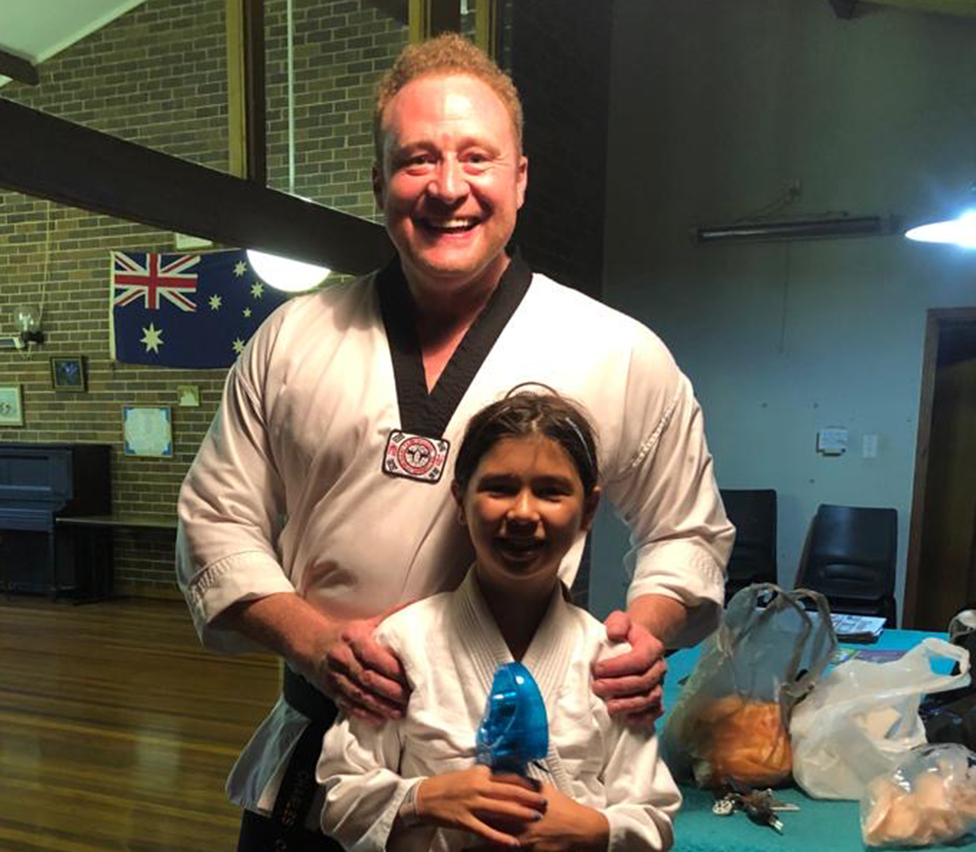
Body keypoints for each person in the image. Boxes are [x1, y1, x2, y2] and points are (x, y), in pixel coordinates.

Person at [176, 32, 732, 851]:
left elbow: (688, 529)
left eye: (476, 158)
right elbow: (213, 525)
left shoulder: (618, 351)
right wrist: (316, 642)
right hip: (336, 752)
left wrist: (640, 635)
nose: (447, 188)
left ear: (519, 178)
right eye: (416, 160)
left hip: (533, 772)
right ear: (378, 181)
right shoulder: (293, 339)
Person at [318, 390, 682, 852]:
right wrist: (422, 798)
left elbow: (655, 816)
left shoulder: (613, 665)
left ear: (588, 509)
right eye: (500, 488)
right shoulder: (402, 644)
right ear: (459, 498)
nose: (524, 513)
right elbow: (341, 796)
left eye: (551, 491)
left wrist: (597, 830)